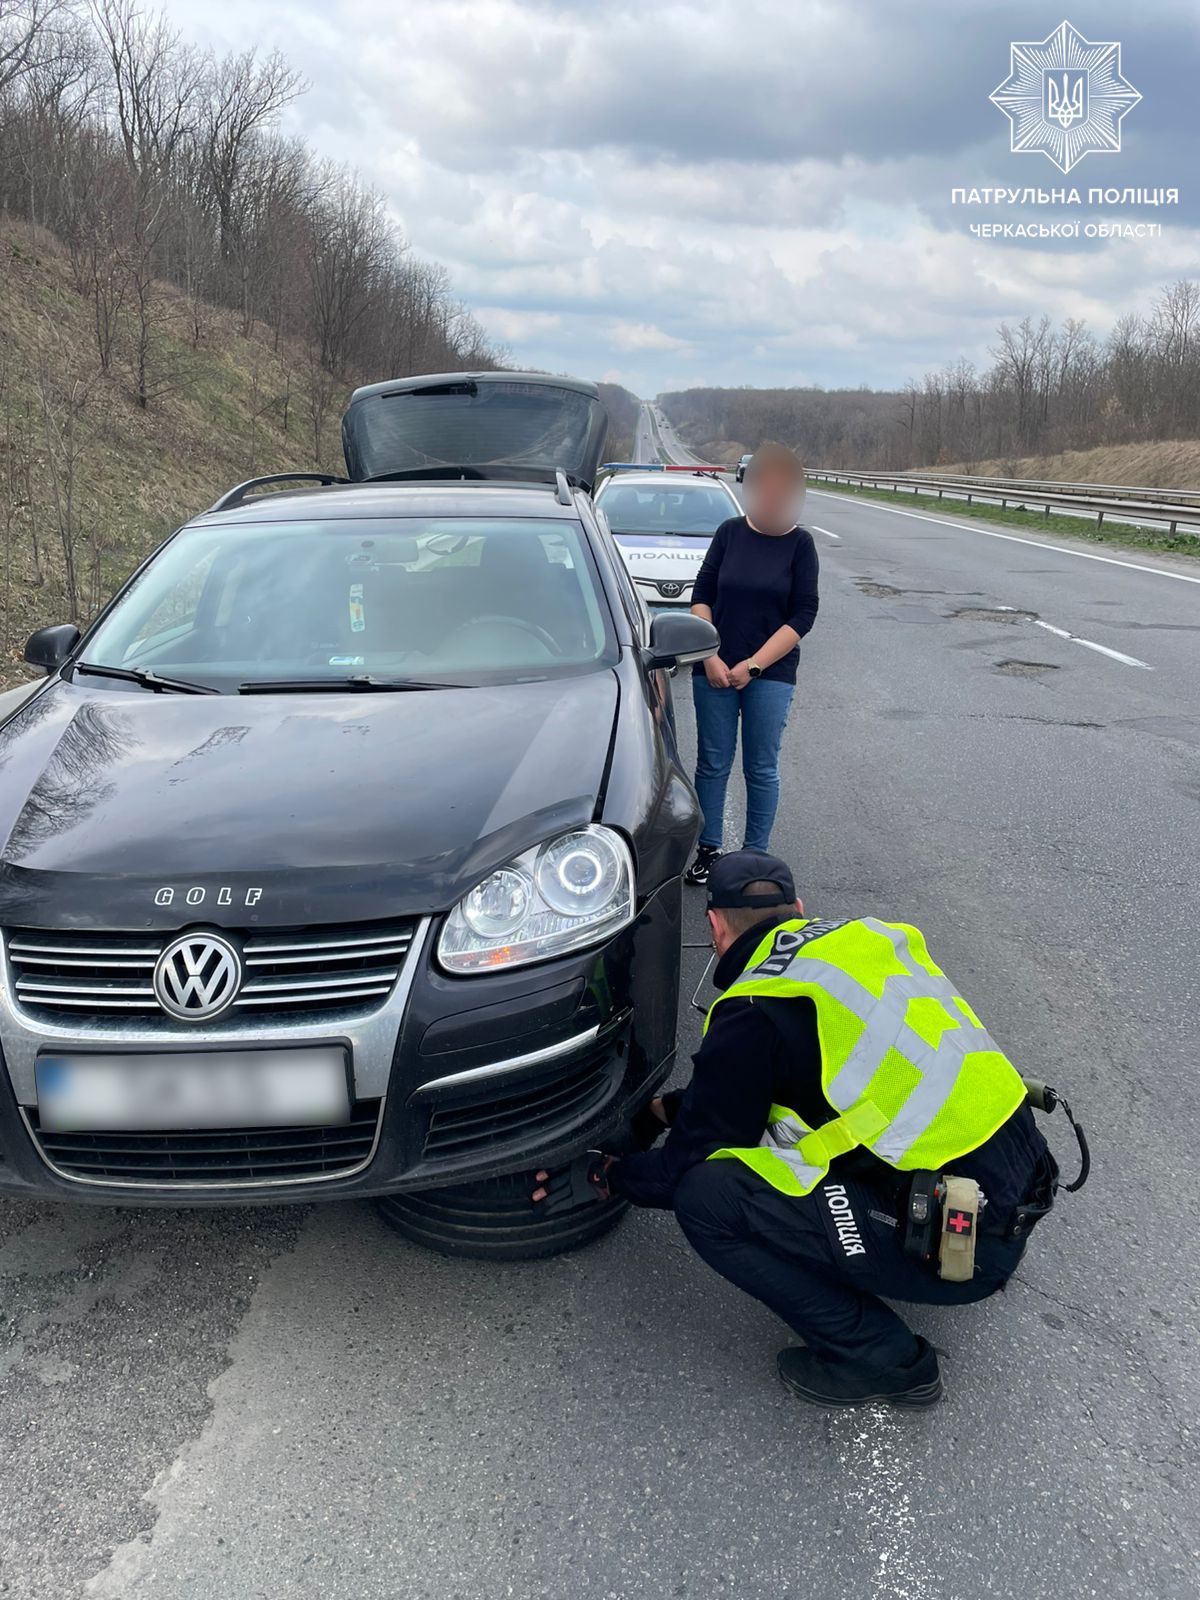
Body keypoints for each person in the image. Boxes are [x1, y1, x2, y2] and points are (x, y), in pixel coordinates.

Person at [601, 850, 1060, 1408]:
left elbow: (689, 1159)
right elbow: (742, 1093)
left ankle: (885, 1361)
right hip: (1021, 1180)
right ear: (798, 909)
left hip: (966, 1240)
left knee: (706, 1198)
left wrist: (612, 1175)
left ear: (715, 926)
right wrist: (659, 1112)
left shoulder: (755, 1004)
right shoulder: (858, 943)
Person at [685, 443, 819, 886]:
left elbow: (803, 614)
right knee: (712, 763)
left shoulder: (800, 545)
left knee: (760, 767)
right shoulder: (729, 533)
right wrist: (709, 655)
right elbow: (702, 593)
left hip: (770, 674)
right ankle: (708, 850)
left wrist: (754, 666)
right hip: (714, 670)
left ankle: (754, 855)